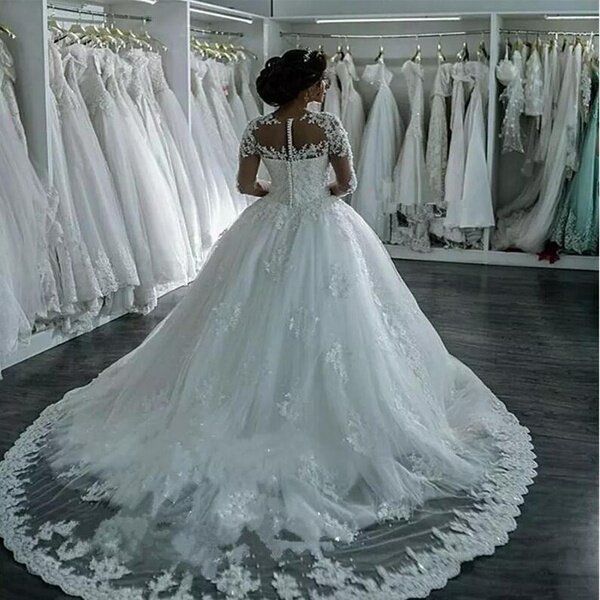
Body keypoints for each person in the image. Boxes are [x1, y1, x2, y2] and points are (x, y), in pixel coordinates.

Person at [0, 49, 536, 600]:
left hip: (266, 227)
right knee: (341, 321)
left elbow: (245, 184)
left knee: (238, 316)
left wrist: (276, 194)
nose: (325, 88)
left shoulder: (258, 128)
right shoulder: (327, 127)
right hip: (323, 227)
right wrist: (317, 195)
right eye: (320, 82)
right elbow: (346, 183)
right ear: (305, 87)